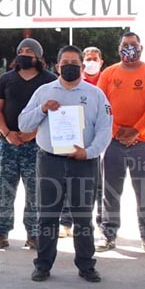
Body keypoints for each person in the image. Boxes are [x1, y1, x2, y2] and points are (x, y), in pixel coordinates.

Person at [18, 45, 113, 282]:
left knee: (82, 216)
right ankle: (42, 264)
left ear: (81, 67)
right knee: (47, 215)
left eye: (75, 63)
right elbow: (23, 124)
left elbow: (104, 129)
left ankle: (86, 265)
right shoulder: (44, 91)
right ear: (57, 66)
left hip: (84, 162)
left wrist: (89, 152)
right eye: (65, 62)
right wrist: (42, 109)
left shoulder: (95, 94)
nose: (70, 66)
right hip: (50, 161)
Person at [0, 38, 58, 251]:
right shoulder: (6, 79)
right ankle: (1, 232)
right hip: (7, 143)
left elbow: (53, 113)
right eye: (21, 50)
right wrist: (7, 133)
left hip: (37, 144)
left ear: (38, 56)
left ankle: (34, 233)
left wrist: (31, 134)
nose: (24, 54)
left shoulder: (49, 80)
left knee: (36, 189)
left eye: (29, 51)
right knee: (3, 188)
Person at [97, 32, 145, 254]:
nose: (129, 48)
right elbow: (101, 105)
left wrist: (137, 130)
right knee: (111, 191)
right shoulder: (109, 73)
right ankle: (108, 234)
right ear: (119, 49)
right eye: (125, 45)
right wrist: (117, 131)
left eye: (133, 45)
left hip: (143, 142)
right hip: (114, 142)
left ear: (141, 48)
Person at [59, 46, 105, 238]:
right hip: (69, 143)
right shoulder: (74, 82)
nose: (91, 62)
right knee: (67, 185)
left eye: (95, 58)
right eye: (88, 58)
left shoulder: (105, 81)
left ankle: (102, 224)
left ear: (101, 61)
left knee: (98, 186)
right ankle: (66, 222)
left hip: (97, 143)